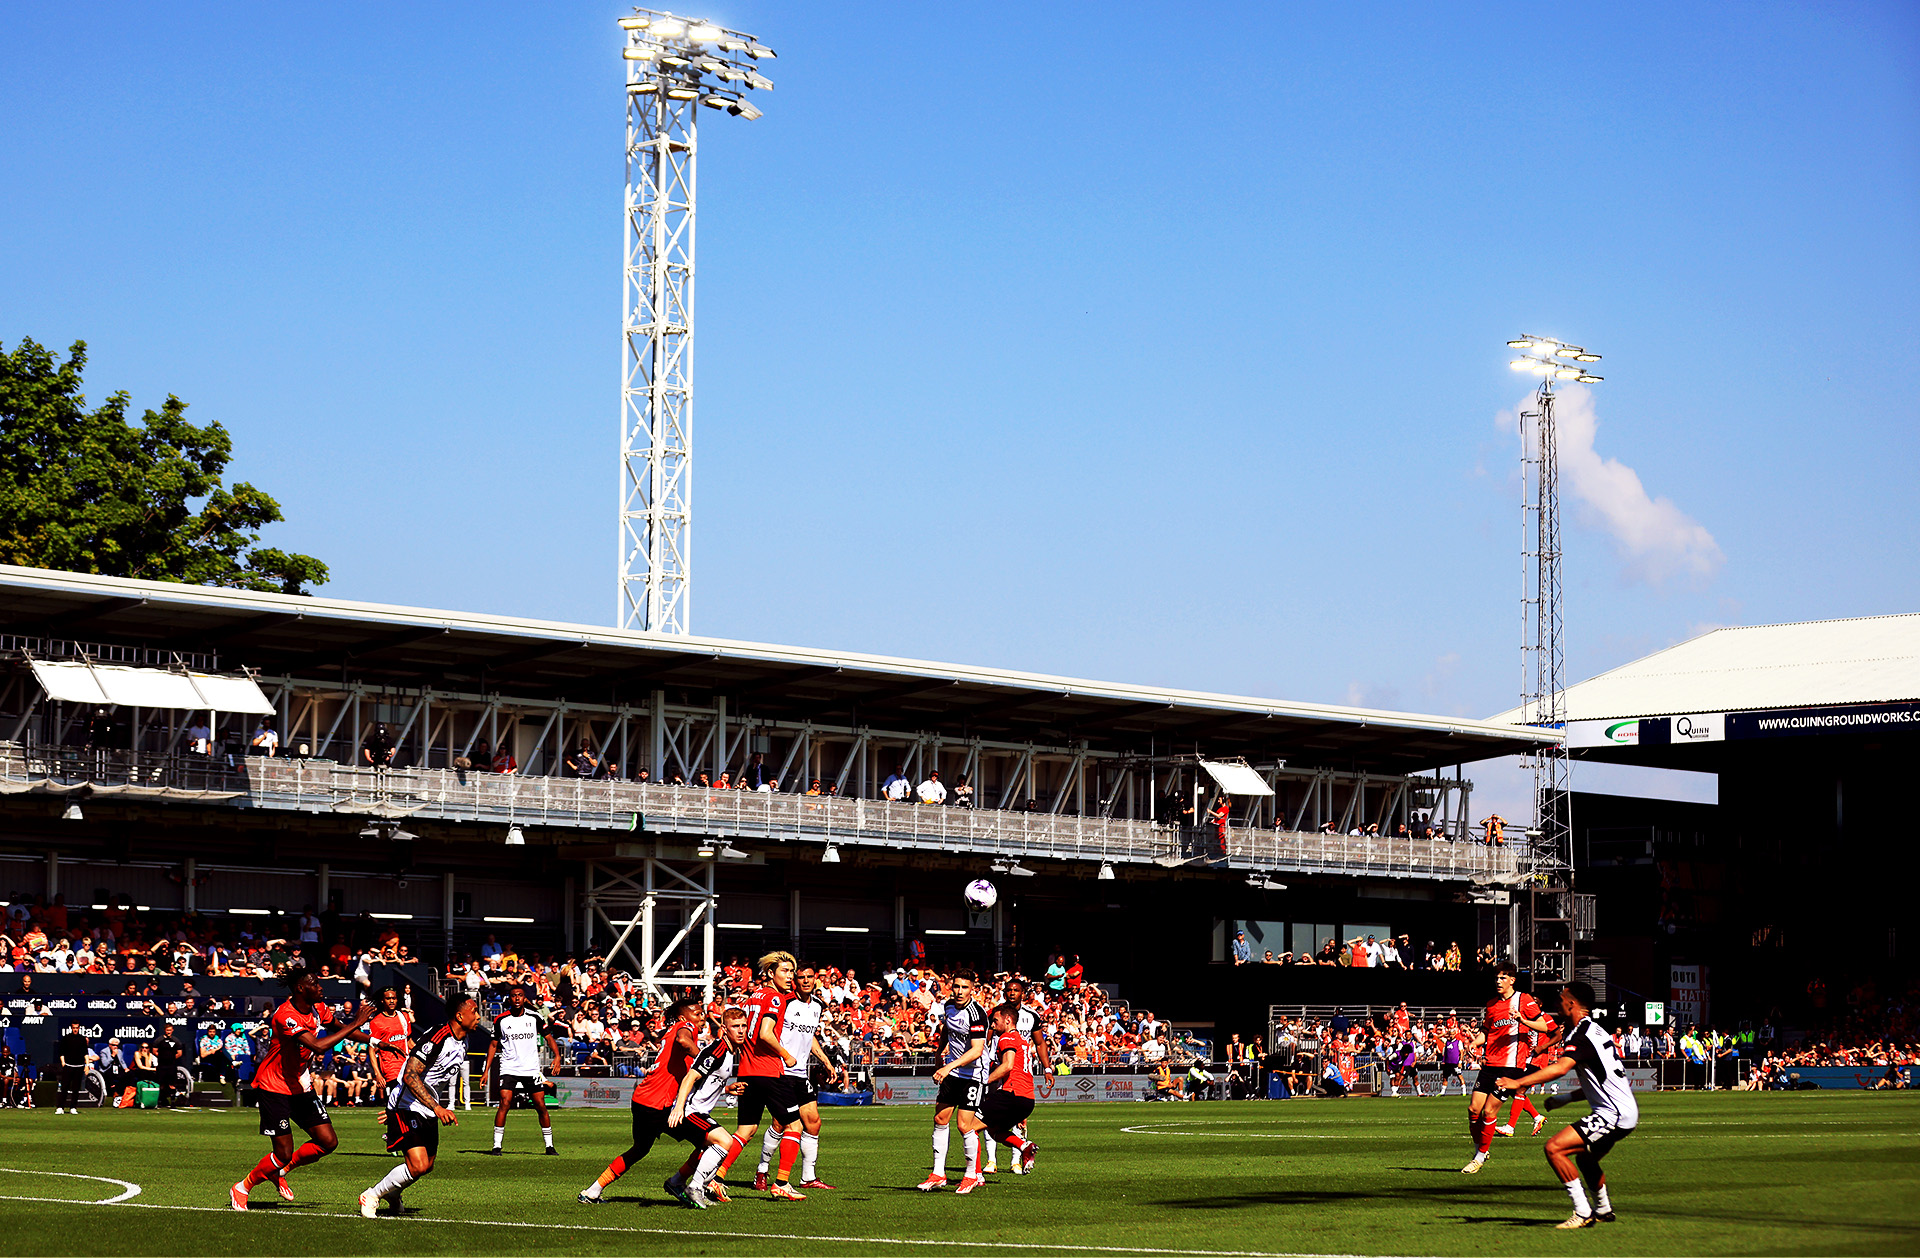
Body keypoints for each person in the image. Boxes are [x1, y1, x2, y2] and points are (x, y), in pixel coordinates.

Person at [230, 963, 375, 1210]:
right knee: (283, 1151)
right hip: (274, 1086)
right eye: (315, 984)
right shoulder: (285, 1015)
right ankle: (242, 1187)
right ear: (300, 988)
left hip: (299, 1084)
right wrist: (357, 1021)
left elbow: (341, 1031)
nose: (320, 988)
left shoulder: (318, 1008)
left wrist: (376, 1041)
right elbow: (317, 1047)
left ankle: (281, 1171)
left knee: (327, 1142)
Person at [1495, 981, 1638, 1228]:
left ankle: (1582, 1212)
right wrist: (1566, 1098)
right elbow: (1601, 1082)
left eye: (1562, 999)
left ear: (1571, 1003)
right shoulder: (1594, 1030)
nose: (1558, 1003)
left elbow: (1560, 1068)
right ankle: (1603, 1209)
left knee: (1554, 1148)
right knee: (1584, 1159)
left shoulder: (1582, 1036)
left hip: (1613, 1114)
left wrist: (1517, 1082)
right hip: (1624, 1111)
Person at [579, 995, 723, 1205]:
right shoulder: (685, 1026)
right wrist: (704, 1057)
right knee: (712, 1142)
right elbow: (684, 1041)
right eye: (697, 1013)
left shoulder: (669, 1033)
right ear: (683, 1016)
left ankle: (592, 1191)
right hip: (658, 1105)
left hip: (643, 1100)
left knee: (639, 1149)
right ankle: (682, 1184)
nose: (702, 1018)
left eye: (703, 1014)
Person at [356, 992, 480, 1217]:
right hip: (407, 1105)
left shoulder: (464, 1041)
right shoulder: (437, 1037)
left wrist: (433, 1107)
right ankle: (372, 1195)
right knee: (418, 1164)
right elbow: (410, 1075)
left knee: (427, 1165)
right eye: (474, 1012)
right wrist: (436, 1107)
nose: (479, 1016)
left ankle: (393, 1193)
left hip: (426, 1106)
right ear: (460, 1016)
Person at [712, 952, 807, 1200]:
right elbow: (765, 1033)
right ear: (770, 974)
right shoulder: (775, 998)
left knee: (746, 1130)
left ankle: (717, 1178)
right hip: (768, 1071)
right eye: (785, 971)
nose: (790, 976)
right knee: (795, 1125)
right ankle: (782, 1183)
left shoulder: (755, 996)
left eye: (791, 971)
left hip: (747, 1070)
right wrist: (786, 1055)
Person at [1460, 962, 1553, 1174]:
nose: (1498, 981)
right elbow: (1487, 1031)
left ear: (1512, 980)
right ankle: (1480, 1150)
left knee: (1489, 1110)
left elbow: (1544, 1026)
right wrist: (1475, 1042)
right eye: (1496, 978)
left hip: (1512, 1066)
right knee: (1474, 1109)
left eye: (1503, 978)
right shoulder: (1491, 1004)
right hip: (1490, 1063)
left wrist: (1523, 1020)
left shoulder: (1524, 1000)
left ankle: (1479, 1158)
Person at [753, 963, 837, 1191]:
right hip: (780, 1069)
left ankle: (808, 1177)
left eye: (810, 976)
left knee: (814, 1123)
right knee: (781, 1124)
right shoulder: (785, 1002)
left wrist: (826, 1061)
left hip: (800, 1073)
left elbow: (809, 1038)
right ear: (795, 980)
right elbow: (769, 1032)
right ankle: (762, 1170)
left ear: (815, 980)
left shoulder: (817, 1006)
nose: (806, 980)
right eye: (801, 977)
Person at [918, 969, 989, 1193]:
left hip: (973, 1075)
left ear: (972, 989)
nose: (959, 991)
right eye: (956, 986)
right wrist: (940, 1054)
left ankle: (971, 1176)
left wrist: (948, 1065)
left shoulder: (977, 1014)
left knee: (964, 1125)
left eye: (964, 987)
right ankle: (938, 1173)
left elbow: (977, 1050)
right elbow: (946, 1031)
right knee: (940, 1118)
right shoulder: (948, 1006)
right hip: (954, 1072)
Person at [484, 984, 559, 1155]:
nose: (517, 998)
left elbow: (549, 1037)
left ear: (524, 998)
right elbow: (494, 1044)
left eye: (520, 995)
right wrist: (486, 1070)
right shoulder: (501, 1020)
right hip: (509, 1067)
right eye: (513, 995)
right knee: (504, 1103)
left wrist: (557, 1056)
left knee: (541, 1105)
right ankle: (496, 1146)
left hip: (530, 1068)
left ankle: (549, 1146)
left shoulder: (535, 1017)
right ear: (509, 999)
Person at [979, 1003, 1039, 1179]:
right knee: (994, 1131)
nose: (992, 1025)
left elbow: (1008, 1066)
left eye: (995, 1020)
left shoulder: (1006, 1038)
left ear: (1008, 1020)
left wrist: (984, 1081)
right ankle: (1023, 1146)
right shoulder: (1023, 1040)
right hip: (1027, 1097)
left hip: (1011, 1094)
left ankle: (974, 1175)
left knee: (968, 1126)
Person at [1499, 1012, 1560, 1137]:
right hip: (1526, 1059)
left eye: (1535, 1002)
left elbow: (1558, 1036)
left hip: (1538, 1060)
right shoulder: (1525, 1018)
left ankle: (1510, 1127)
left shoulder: (1546, 1018)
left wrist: (1543, 1047)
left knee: (1519, 1089)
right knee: (1514, 1089)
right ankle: (1537, 1117)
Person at [54, 1021, 89, 1114]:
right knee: (64, 1087)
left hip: (79, 1066)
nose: (75, 1029)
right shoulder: (66, 1038)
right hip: (68, 1066)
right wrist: (63, 1063)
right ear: (71, 1028)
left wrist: (87, 1065)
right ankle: (60, 1107)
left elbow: (85, 1053)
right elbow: (61, 1052)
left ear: (79, 1028)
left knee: (76, 1088)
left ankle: (73, 1107)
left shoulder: (82, 1039)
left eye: (77, 1028)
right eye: (74, 1028)